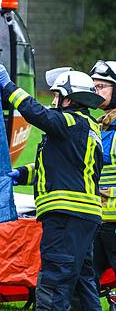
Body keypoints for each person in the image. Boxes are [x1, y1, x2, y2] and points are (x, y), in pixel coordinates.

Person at [0, 64, 104, 310]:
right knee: (81, 281)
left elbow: (38, 114)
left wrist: (9, 87)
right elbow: (61, 167)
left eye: (57, 95)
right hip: (84, 217)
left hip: (66, 217)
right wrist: (23, 174)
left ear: (69, 99)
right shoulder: (86, 127)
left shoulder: (70, 122)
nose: (53, 100)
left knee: (55, 279)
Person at [91, 61, 116, 284]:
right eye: (94, 87)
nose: (96, 91)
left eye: (102, 86)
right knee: (85, 278)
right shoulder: (100, 125)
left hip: (114, 222)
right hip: (99, 219)